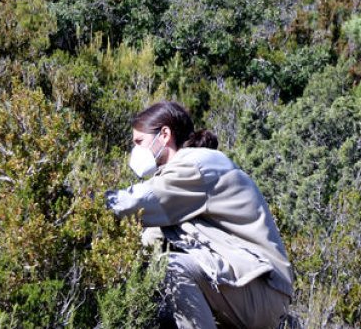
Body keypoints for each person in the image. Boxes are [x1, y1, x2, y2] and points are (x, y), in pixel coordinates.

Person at [106, 101, 293, 329]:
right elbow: (151, 240)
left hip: (263, 292)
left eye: (139, 142)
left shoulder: (196, 165)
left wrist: (89, 204)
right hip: (248, 288)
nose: (135, 151)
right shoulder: (178, 182)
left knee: (169, 268)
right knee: (151, 290)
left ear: (164, 134)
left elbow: (135, 204)